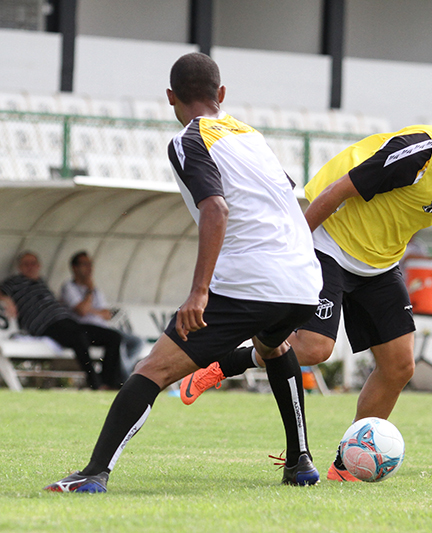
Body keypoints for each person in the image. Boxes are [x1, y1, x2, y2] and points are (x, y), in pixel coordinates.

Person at [181, 93, 432, 481]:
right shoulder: (416, 154)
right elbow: (339, 191)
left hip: (379, 263)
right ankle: (225, 362)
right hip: (329, 245)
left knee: (399, 366)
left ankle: (348, 462)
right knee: (315, 349)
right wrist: (295, 246)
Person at [43, 51, 323, 493]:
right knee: (272, 345)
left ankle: (94, 472)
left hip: (252, 278)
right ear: (222, 94)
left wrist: (199, 292)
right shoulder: (251, 135)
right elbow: (289, 194)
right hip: (305, 280)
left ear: (170, 97)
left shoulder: (189, 140)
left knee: (152, 370)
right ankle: (301, 461)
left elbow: (215, 208)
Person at [0, 251, 123, 390]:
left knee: (113, 337)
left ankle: (109, 383)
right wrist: (6, 299)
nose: (30, 267)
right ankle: (95, 383)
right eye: (26, 264)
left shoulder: (41, 282)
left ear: (39, 266)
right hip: (45, 326)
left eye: (33, 263)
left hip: (66, 322)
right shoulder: (14, 282)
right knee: (78, 336)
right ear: (20, 267)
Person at [61, 251, 145, 380]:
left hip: (103, 327)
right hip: (84, 329)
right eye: (85, 264)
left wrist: (91, 309)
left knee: (136, 342)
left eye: (90, 264)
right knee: (116, 340)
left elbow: (107, 314)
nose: (89, 268)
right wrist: (89, 292)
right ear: (75, 267)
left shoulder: (96, 290)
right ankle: (118, 379)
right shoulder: (69, 287)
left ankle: (125, 373)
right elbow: (82, 311)